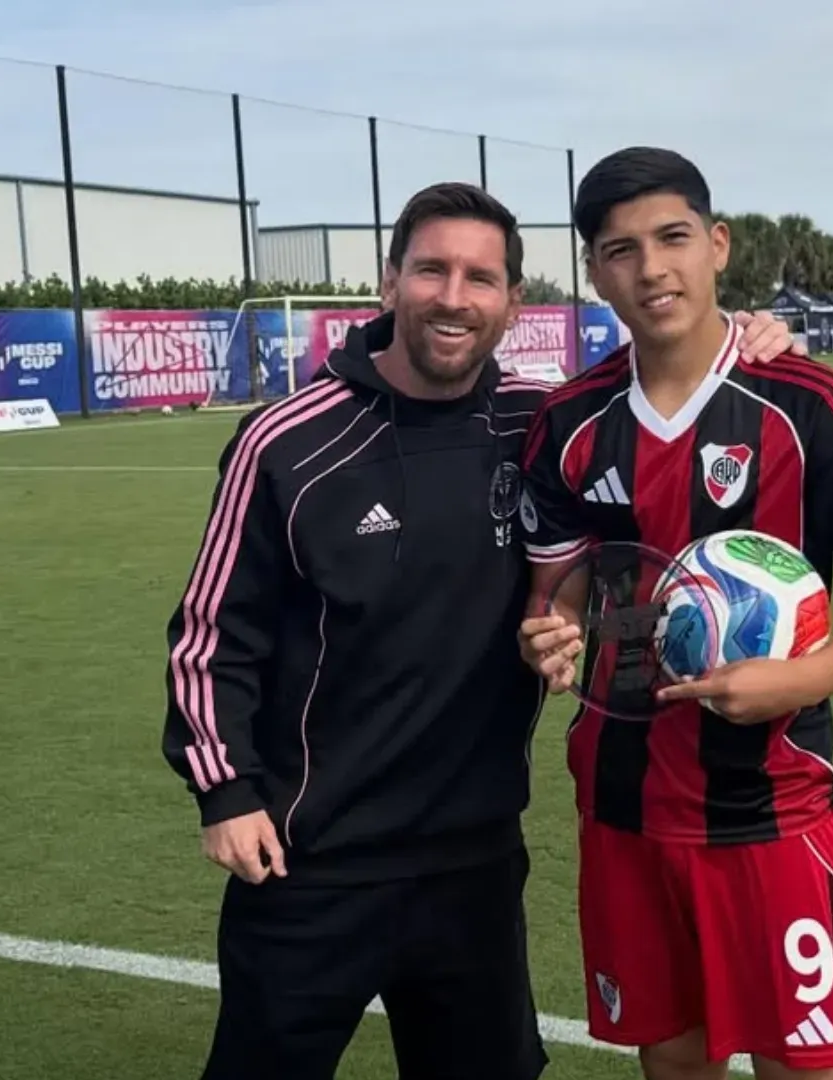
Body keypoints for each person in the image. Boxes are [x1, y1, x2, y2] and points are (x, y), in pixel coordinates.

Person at [160, 179, 800, 1080]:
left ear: (513, 302)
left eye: (481, 278)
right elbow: (212, 633)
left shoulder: (538, 424)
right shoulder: (287, 443)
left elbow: (667, 409)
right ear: (390, 284)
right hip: (311, 862)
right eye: (431, 270)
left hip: (474, 861)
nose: (453, 297)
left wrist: (754, 339)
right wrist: (225, 793)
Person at [515, 147, 833, 1080]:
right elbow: (562, 597)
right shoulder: (570, 423)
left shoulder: (808, 404)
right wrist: (552, 633)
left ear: (717, 246)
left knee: (803, 1068)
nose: (651, 268)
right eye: (620, 250)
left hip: (771, 804)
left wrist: (806, 676)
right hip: (623, 801)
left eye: (673, 239)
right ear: (595, 272)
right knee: (673, 1063)